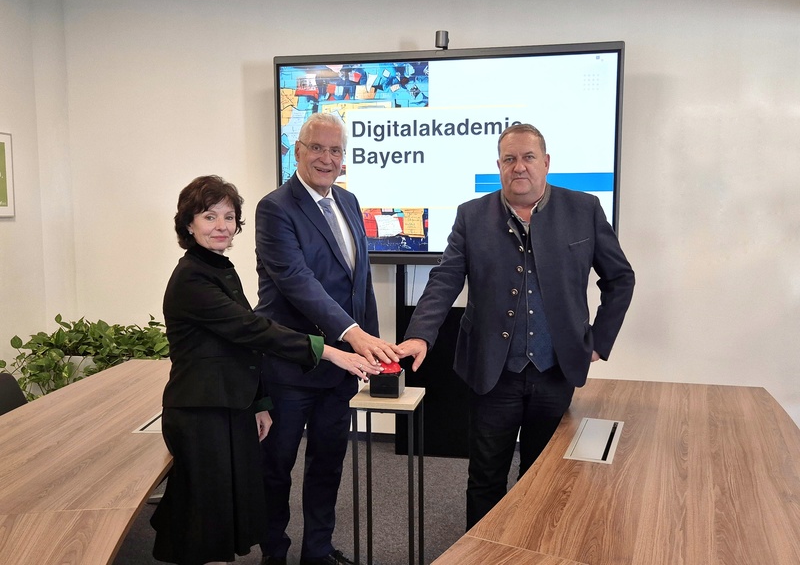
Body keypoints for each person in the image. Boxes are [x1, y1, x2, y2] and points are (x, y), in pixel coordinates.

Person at [398, 123, 635, 529]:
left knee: (544, 478)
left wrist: (598, 340)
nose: (519, 167)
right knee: (486, 476)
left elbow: (620, 278)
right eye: (509, 159)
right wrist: (420, 333)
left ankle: (531, 550)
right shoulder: (471, 216)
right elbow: (445, 278)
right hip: (493, 372)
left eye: (528, 157)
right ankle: (483, 554)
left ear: (546, 163)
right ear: (499, 166)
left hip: (556, 369)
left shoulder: (584, 209)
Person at [151, 175, 380, 565]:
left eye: (228, 217)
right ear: (188, 224)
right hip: (200, 412)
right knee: (206, 515)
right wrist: (334, 351)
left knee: (217, 514)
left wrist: (258, 401)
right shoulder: (192, 277)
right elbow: (254, 328)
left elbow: (240, 346)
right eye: (209, 217)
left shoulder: (218, 267)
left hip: (225, 404)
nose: (221, 226)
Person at [255, 113, 400, 565]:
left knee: (328, 463)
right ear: (296, 151)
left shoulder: (350, 202)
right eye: (317, 148)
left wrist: (372, 344)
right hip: (291, 367)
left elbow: (359, 283)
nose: (326, 158)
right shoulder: (275, 208)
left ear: (344, 159)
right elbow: (298, 283)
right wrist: (354, 336)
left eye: (336, 150)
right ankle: (273, 553)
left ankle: (317, 550)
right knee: (276, 469)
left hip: (341, 371)